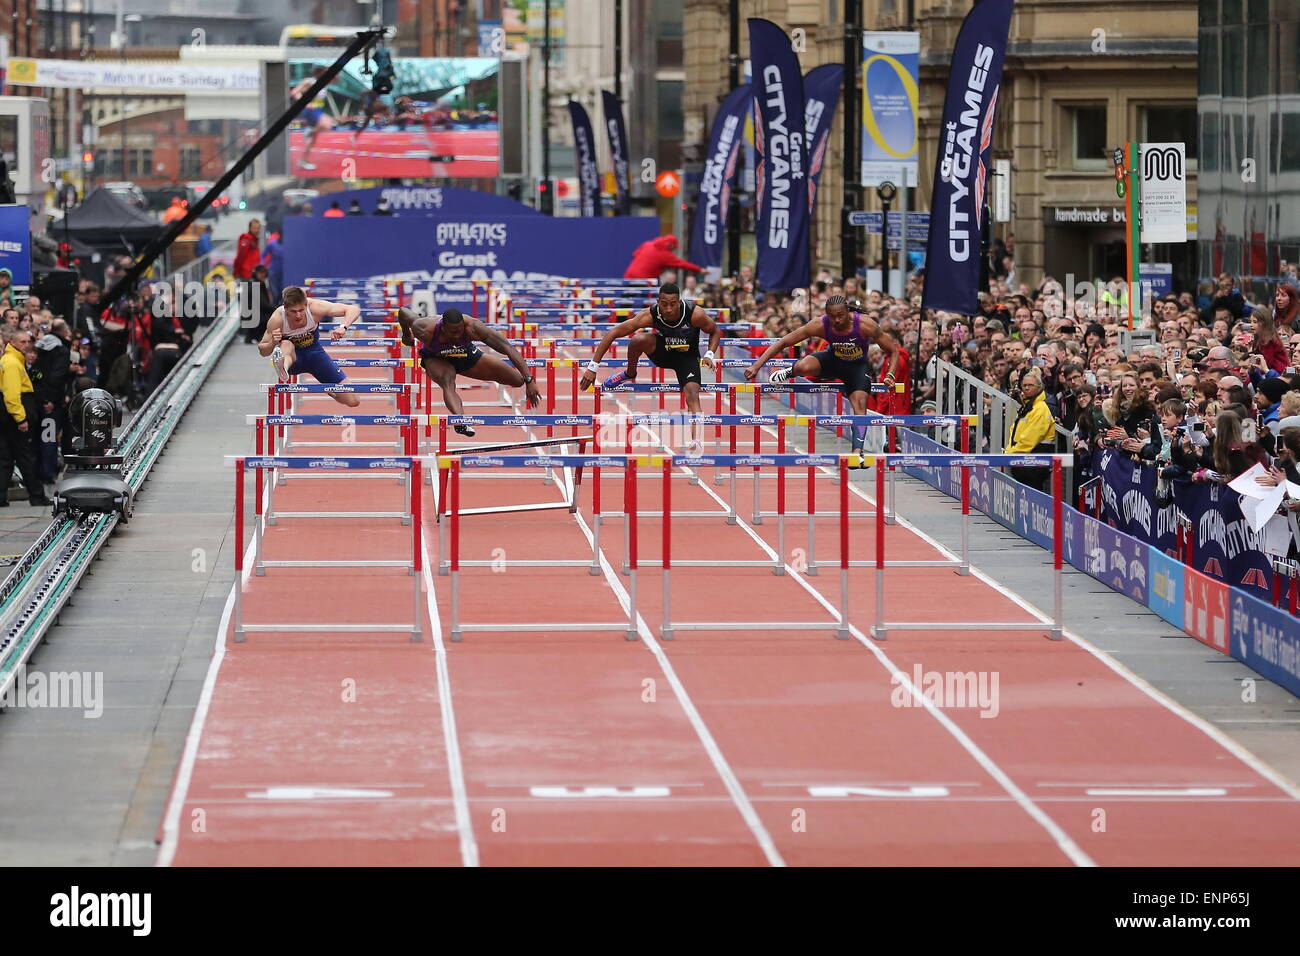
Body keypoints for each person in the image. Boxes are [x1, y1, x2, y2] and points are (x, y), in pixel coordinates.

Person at [744, 294, 900, 458]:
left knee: (860, 405)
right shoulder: (820, 324)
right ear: (826, 314)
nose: (837, 320)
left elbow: (893, 351)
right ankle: (791, 371)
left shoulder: (865, 324)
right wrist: (757, 364)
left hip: (856, 369)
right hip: (831, 362)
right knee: (804, 366)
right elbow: (784, 341)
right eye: (832, 317)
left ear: (847, 311)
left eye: (840, 315)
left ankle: (856, 452)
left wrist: (890, 374)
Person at [579, 282, 721, 451]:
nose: (668, 309)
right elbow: (613, 332)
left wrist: (709, 354)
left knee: (692, 392)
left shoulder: (694, 314)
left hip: (687, 358)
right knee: (638, 340)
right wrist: (592, 367)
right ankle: (629, 373)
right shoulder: (650, 314)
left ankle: (696, 440)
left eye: (673, 304)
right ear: (658, 302)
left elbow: (715, 331)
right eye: (664, 304)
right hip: (663, 353)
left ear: (679, 302)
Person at [395, 306, 540, 436]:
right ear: (443, 328)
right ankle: (460, 421)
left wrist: (529, 380)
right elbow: (403, 312)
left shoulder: (474, 327)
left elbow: (507, 347)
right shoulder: (424, 328)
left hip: (465, 354)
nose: (457, 335)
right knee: (447, 381)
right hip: (436, 358)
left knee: (516, 380)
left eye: (460, 330)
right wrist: (406, 334)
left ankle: (520, 380)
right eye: (453, 332)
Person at [258, 286, 363, 409]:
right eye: (293, 311)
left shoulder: (314, 307)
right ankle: (282, 367)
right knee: (286, 344)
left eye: (301, 310)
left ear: (306, 305)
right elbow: (262, 350)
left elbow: (353, 309)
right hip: (293, 359)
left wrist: (343, 327)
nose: (298, 315)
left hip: (315, 355)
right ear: (285, 309)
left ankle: (332, 392)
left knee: (353, 401)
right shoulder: (277, 318)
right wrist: (272, 343)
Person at [0, 328, 52, 506]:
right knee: (24, 456)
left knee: (6, 457)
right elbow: (12, 396)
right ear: (12, 342)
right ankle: (37, 495)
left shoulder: (13, 360)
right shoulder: (12, 363)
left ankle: (1, 497)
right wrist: (20, 419)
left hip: (8, 417)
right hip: (14, 418)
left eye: (28, 342)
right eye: (22, 342)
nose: (27, 345)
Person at [1005, 368, 1056, 491]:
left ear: (1039, 387)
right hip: (1023, 462)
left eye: (1030, 385)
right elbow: (1015, 433)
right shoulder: (1028, 407)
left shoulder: (1040, 409)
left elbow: (1029, 440)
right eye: (1024, 385)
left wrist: (1008, 455)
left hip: (1033, 464)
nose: (1026, 388)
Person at [290, 67, 335, 171]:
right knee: (327, 124)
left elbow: (336, 80)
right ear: (319, 73)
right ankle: (310, 131)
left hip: (318, 110)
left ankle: (303, 161)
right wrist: (306, 103)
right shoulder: (309, 81)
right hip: (310, 110)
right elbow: (294, 92)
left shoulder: (324, 83)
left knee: (312, 140)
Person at [623, 236, 702, 280]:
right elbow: (683, 264)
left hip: (629, 276)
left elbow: (634, 255)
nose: (674, 250)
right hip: (645, 281)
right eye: (674, 247)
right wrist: (700, 269)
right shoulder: (666, 255)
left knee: (625, 303)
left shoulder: (647, 244)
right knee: (648, 304)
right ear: (670, 245)